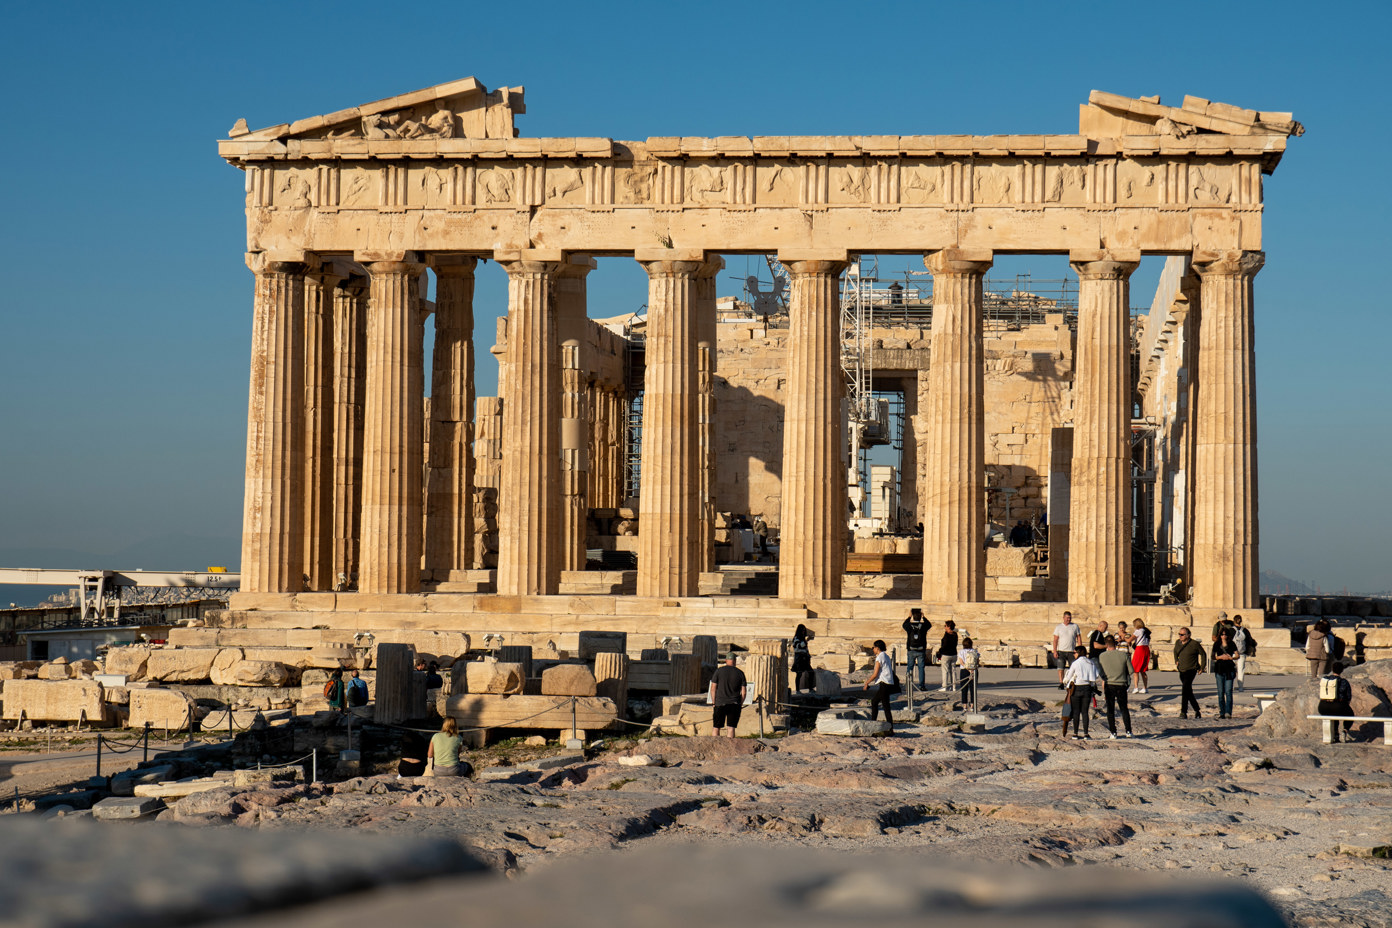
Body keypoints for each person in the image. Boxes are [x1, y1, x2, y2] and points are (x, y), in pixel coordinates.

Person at [1097, 635, 1133, 738]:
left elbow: (1101, 671)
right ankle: (1128, 731)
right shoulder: (1123, 655)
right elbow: (1131, 670)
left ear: (1106, 644)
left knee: (1110, 709)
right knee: (1124, 709)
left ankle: (1113, 732)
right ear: (1115, 643)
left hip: (1109, 684)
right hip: (1121, 684)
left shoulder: (1102, 656)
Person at [1061, 645, 1100, 739]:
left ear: (1078, 653)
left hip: (1077, 688)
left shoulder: (1075, 663)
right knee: (1085, 712)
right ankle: (1086, 733)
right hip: (1087, 688)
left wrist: (1064, 681)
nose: (1074, 654)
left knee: (1076, 712)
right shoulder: (1091, 662)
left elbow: (1069, 676)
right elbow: (1096, 675)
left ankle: (1075, 733)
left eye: (1074, 653)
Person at [708, 652, 747, 738]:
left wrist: (714, 703)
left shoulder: (718, 671)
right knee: (731, 728)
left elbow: (713, 688)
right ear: (735, 661)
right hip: (734, 703)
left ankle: (715, 746)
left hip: (720, 702)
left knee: (716, 727)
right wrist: (740, 703)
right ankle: (730, 747)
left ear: (726, 660)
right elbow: (744, 692)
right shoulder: (740, 673)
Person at [861, 639, 896, 732]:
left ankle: (873, 724)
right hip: (888, 682)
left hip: (884, 683)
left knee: (875, 702)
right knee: (885, 705)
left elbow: (875, 673)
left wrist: (867, 682)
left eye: (873, 647)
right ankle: (890, 727)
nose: (873, 649)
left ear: (877, 648)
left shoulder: (879, 657)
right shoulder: (886, 656)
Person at [1173, 627, 1207, 719]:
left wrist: (1202, 667)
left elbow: (1203, 654)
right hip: (1182, 670)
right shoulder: (1177, 642)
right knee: (1188, 691)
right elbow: (1175, 651)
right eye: (1179, 634)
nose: (1180, 636)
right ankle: (1197, 710)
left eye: (1182, 634)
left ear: (1188, 635)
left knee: (1185, 690)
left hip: (1191, 669)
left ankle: (1183, 712)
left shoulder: (1194, 644)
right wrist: (1176, 660)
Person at [1317, 662, 1355, 743]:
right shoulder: (1344, 681)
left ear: (1332, 669)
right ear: (1342, 670)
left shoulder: (1325, 679)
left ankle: (1336, 734)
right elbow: (1348, 697)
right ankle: (1344, 731)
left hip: (1322, 706)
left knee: (1334, 715)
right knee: (1350, 714)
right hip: (1337, 706)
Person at [1212, 627, 1240, 719]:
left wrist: (1230, 658)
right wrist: (1220, 657)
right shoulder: (1217, 644)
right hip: (1219, 669)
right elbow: (1213, 656)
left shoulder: (1231, 644)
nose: (1224, 636)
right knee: (1220, 692)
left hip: (1229, 669)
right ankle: (1222, 712)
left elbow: (1237, 655)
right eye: (1222, 634)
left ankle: (1228, 712)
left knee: (1228, 692)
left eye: (1225, 634)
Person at [902, 608, 931, 691]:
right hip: (921, 650)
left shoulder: (909, 626)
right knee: (921, 668)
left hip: (911, 649)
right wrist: (923, 617)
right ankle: (921, 685)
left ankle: (908, 685)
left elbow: (904, 624)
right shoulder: (923, 626)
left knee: (909, 667)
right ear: (920, 616)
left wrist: (909, 617)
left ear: (913, 617)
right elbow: (929, 624)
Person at [1052, 612, 1081, 689]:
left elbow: (1078, 637)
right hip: (1061, 650)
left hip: (1072, 651)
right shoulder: (1059, 627)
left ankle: (1071, 682)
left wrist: (1080, 649)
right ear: (1063, 618)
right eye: (1067, 618)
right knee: (1061, 668)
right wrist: (1055, 651)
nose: (1069, 619)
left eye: (1070, 618)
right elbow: (1055, 640)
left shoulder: (1075, 626)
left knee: (1073, 667)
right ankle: (1061, 682)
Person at [790, 624, 816, 694]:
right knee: (799, 674)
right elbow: (798, 646)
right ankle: (797, 690)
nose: (803, 632)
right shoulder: (796, 638)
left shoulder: (802, 638)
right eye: (802, 630)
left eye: (804, 630)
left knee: (811, 672)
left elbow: (805, 648)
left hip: (805, 658)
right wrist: (806, 641)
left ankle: (810, 689)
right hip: (799, 658)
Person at [958, 636, 981, 710]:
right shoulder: (975, 651)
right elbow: (977, 661)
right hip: (974, 670)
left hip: (964, 670)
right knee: (973, 689)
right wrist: (972, 669)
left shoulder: (961, 651)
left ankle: (964, 705)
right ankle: (972, 705)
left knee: (964, 688)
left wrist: (967, 668)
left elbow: (961, 662)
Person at [1130, 618, 1152, 694]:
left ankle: (1136, 687)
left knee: (1136, 669)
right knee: (1143, 670)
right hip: (1146, 649)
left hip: (1140, 649)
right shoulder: (1146, 631)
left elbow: (1129, 640)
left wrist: (1123, 637)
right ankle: (1145, 687)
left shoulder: (1138, 631)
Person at [937, 620, 959, 693]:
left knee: (945, 671)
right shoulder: (955, 634)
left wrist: (939, 651)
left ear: (949, 627)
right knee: (953, 671)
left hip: (946, 655)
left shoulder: (947, 635)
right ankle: (954, 687)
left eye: (945, 626)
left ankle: (945, 686)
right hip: (953, 654)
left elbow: (945, 645)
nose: (944, 627)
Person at [1231, 615, 1251, 692]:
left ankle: (1231, 686)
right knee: (1241, 671)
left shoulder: (1230, 630)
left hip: (1232, 653)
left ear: (1234, 621)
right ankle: (1240, 687)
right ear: (1241, 621)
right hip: (1242, 653)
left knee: (1231, 670)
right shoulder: (1245, 630)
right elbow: (1249, 641)